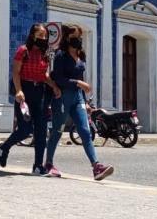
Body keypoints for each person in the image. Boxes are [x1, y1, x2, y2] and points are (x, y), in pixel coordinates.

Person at [45, 24, 114, 181]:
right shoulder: (60, 55)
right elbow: (60, 79)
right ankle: (48, 163)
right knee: (57, 131)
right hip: (62, 98)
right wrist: (78, 83)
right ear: (68, 37)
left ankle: (96, 166)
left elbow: (81, 80)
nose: (79, 40)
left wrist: (86, 101)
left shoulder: (80, 56)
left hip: (78, 99)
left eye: (80, 37)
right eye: (76, 36)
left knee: (85, 131)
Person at [0, 24, 60, 175]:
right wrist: (19, 91)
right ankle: (4, 147)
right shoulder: (23, 51)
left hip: (40, 92)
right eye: (40, 35)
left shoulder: (45, 53)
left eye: (45, 36)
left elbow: (44, 75)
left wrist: (54, 86)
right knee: (25, 130)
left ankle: (38, 165)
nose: (43, 38)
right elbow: (16, 72)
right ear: (33, 35)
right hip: (25, 91)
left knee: (41, 130)